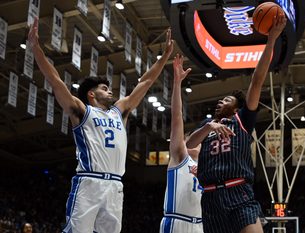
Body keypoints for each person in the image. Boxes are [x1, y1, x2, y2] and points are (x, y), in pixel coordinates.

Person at [27, 17, 174, 233]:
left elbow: (146, 82)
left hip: (115, 186)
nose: (110, 91)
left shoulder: (119, 111)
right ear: (91, 93)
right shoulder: (82, 111)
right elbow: (55, 80)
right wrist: (36, 49)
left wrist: (164, 58)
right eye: (105, 88)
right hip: (89, 183)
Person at [186, 14, 287, 233]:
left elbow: (257, 79)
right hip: (211, 197)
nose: (221, 101)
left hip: (239, 191)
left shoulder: (243, 119)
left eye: (227, 100)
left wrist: (271, 40)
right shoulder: (207, 125)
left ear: (236, 107)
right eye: (220, 100)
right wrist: (208, 127)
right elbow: (188, 145)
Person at [160, 54, 203, 233]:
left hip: (200, 225)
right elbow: (177, 118)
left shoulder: (206, 170)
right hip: (177, 223)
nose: (196, 143)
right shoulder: (180, 157)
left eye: (199, 141)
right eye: (188, 138)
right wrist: (177, 83)